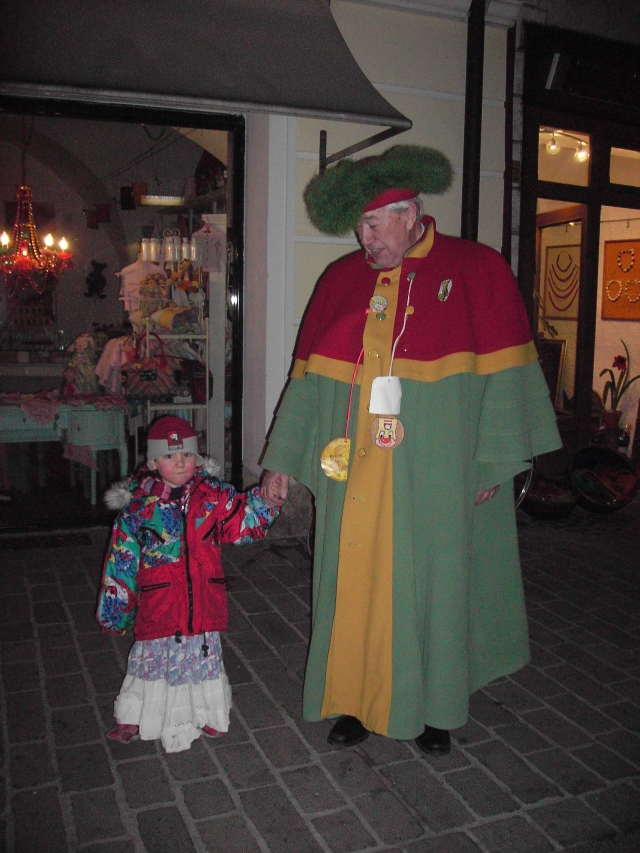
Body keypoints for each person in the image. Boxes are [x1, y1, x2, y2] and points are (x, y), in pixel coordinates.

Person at [261, 145, 561, 754]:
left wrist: (492, 464)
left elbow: (508, 382)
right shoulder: (340, 279)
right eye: (359, 226)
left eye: (374, 224)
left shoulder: (477, 270)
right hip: (356, 480)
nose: (364, 238)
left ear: (411, 214)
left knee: (435, 587)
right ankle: (355, 700)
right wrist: (280, 462)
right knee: (352, 585)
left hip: (437, 473)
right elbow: (307, 381)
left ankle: (435, 709)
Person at [96, 416, 279, 753]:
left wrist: (267, 502)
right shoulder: (138, 509)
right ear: (154, 462)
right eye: (169, 456)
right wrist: (116, 612)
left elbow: (241, 521)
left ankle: (206, 710)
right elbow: (121, 565)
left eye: (187, 455)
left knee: (200, 660)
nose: (180, 463)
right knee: (153, 661)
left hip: (201, 605)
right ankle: (137, 713)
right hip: (160, 607)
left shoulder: (212, 496)